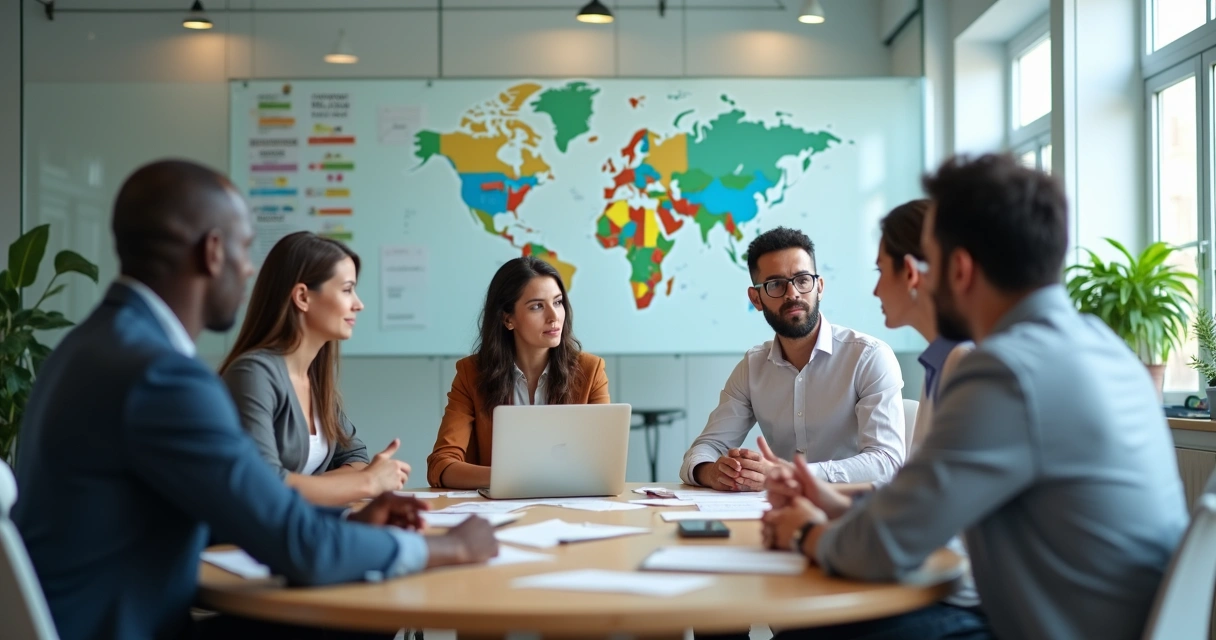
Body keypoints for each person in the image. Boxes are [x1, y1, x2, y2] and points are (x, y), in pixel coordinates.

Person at [11, 159, 499, 640]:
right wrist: (449, 547)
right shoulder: (163, 376)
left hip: (113, 618)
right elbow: (295, 546)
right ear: (213, 251)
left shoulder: (91, 346)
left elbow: (230, 512)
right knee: (362, 614)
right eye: (245, 249)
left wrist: (348, 524)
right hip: (133, 628)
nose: (248, 270)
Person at [762, 154, 1188, 640]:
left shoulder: (1007, 371)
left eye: (931, 259)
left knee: (809, 628)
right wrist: (836, 509)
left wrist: (802, 532)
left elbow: (886, 545)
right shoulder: (1097, 345)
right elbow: (921, 512)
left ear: (959, 270)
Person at [679, 227, 906, 491]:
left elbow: (887, 463)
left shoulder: (868, 357)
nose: (792, 294)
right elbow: (707, 447)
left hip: (854, 514)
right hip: (781, 514)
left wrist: (790, 475)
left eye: (802, 280)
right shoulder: (752, 367)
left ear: (819, 287)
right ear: (756, 298)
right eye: (775, 284)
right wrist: (713, 472)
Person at [220, 231, 410, 506]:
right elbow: (263, 483)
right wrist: (366, 482)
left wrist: (316, 485)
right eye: (347, 290)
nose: (358, 304)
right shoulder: (253, 374)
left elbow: (354, 459)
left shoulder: (313, 377)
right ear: (302, 297)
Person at [427, 256, 610, 489]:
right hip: (497, 515)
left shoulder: (590, 370)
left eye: (557, 302)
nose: (554, 317)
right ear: (508, 318)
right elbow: (440, 466)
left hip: (568, 509)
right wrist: (515, 478)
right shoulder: (471, 373)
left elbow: (604, 464)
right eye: (537, 306)